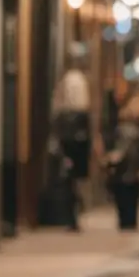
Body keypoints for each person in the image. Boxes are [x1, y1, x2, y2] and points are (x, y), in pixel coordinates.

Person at [52, 42, 96, 227]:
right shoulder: (76, 80)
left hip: (70, 134)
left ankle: (73, 213)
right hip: (76, 134)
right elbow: (82, 106)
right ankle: (73, 214)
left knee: (70, 174)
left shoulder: (67, 80)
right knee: (74, 175)